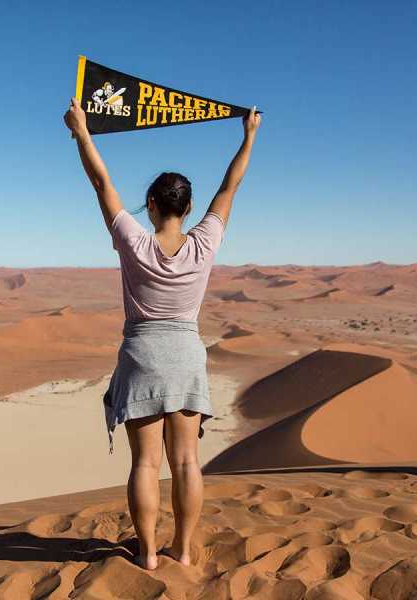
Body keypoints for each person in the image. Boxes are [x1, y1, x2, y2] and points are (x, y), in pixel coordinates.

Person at [63, 97, 261, 571]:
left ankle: (148, 553)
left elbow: (101, 182)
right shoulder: (205, 241)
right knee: (187, 462)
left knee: (144, 465)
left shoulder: (133, 240)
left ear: (151, 205)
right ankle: (185, 549)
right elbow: (230, 187)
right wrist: (249, 135)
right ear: (189, 207)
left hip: (141, 354)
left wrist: (82, 131)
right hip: (187, 356)